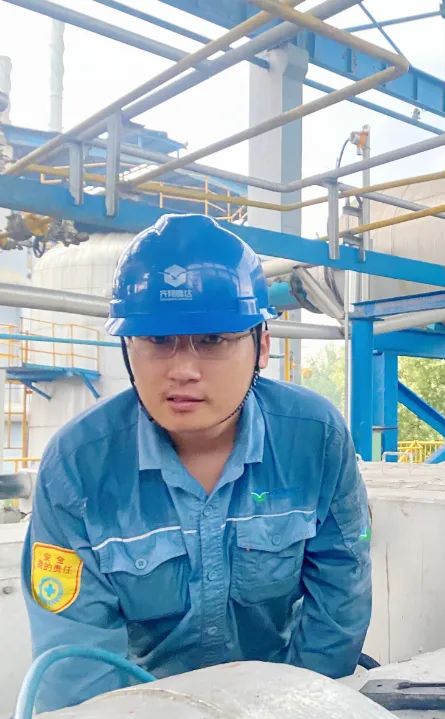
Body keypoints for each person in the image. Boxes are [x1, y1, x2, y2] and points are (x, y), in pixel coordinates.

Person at [21, 214, 371, 712]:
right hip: (143, 705)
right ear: (127, 347)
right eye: (157, 340)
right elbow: (77, 664)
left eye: (212, 340)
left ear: (262, 345)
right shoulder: (78, 468)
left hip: (279, 700)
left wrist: (298, 705)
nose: (182, 370)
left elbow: (340, 596)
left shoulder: (314, 438)